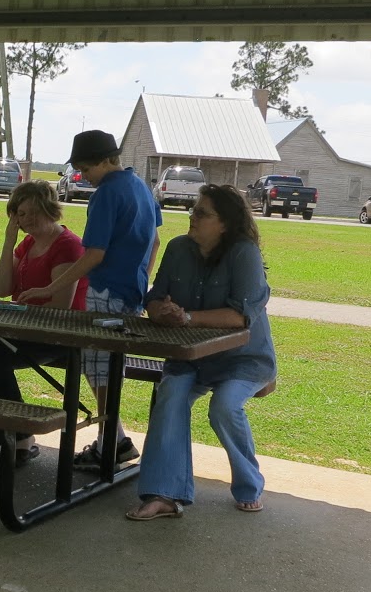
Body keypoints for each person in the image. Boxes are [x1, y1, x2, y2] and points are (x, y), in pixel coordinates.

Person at [127, 184, 276, 521]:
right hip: (189, 355)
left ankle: (249, 484)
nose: (192, 216)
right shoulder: (179, 248)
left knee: (223, 406)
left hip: (243, 358)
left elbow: (240, 316)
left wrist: (187, 317)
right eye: (194, 210)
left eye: (202, 213)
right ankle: (164, 494)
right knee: (171, 393)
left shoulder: (244, 252)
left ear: (225, 223)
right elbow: (154, 296)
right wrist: (158, 311)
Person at [18, 129, 161, 469]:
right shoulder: (140, 186)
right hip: (131, 291)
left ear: (101, 161)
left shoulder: (106, 194)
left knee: (99, 370)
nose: (82, 175)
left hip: (105, 291)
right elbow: (154, 241)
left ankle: (111, 441)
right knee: (107, 368)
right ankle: (113, 439)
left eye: (84, 167)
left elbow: (93, 253)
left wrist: (50, 289)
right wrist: (140, 280)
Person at [0, 180, 88, 463]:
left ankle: (21, 433)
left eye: (29, 212)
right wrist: (8, 242)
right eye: (19, 214)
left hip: (58, 333)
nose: (24, 220)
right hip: (22, 327)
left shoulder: (68, 246)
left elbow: (61, 305)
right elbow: (2, 289)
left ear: (48, 209)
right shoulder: (27, 243)